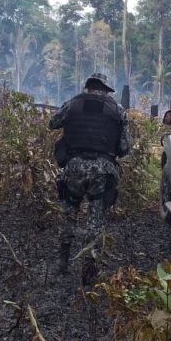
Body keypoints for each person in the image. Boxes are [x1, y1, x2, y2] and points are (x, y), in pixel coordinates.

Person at [48, 73, 131, 282]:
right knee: (95, 221)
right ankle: (89, 270)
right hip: (102, 171)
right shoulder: (117, 110)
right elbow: (125, 147)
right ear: (104, 89)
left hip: (74, 167)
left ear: (88, 87)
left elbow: (53, 123)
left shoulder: (72, 104)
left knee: (68, 213)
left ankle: (63, 263)